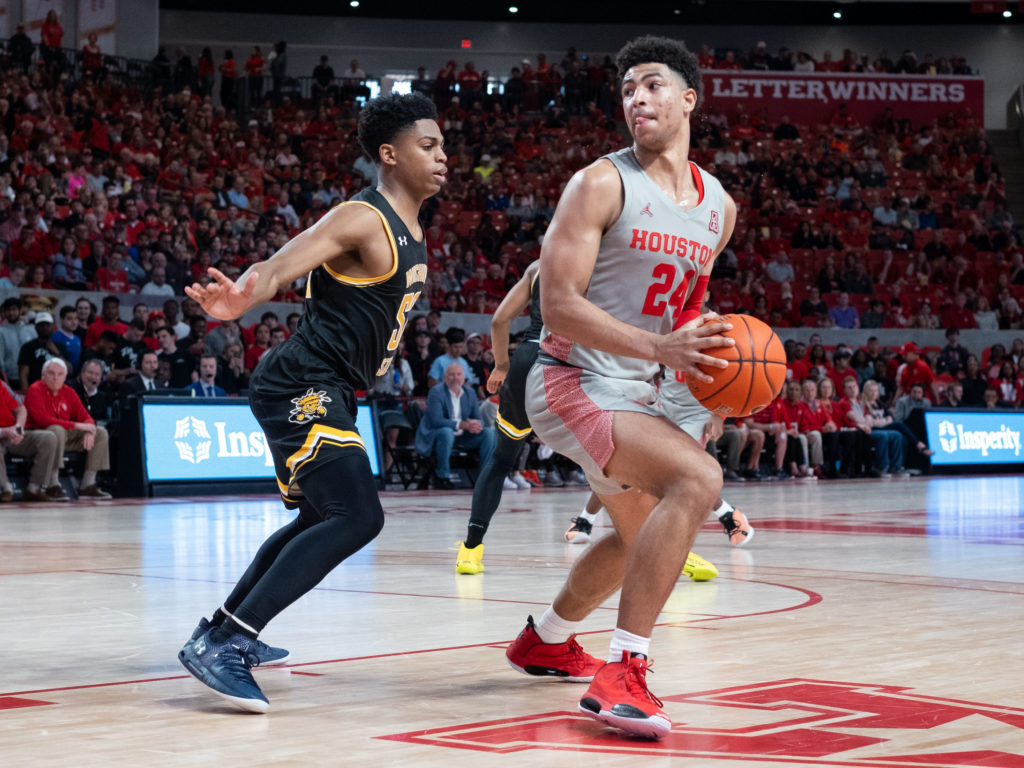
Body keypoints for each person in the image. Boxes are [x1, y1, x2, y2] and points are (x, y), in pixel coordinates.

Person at [177, 93, 444, 713]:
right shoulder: (361, 217)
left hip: (328, 386)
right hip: (301, 381)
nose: (442, 157)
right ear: (389, 154)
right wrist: (245, 297)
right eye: (427, 146)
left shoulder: (411, 228)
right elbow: (278, 265)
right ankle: (228, 644)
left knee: (318, 518)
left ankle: (219, 629)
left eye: (441, 146)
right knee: (357, 516)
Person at [504, 37, 735, 739]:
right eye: (629, 88)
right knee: (699, 482)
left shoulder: (718, 208)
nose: (637, 98)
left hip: (637, 389)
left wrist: (704, 390)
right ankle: (622, 673)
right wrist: (659, 348)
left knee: (642, 539)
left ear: (688, 99)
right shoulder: (599, 183)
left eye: (654, 85)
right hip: (569, 379)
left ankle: (544, 640)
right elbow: (558, 304)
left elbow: (687, 310)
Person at [24, 358, 111, 499]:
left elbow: (86, 417)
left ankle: (87, 485)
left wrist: (89, 429)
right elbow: (42, 420)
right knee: (56, 429)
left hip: (63, 436)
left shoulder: (68, 392)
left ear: (65, 377)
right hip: (40, 436)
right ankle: (53, 485)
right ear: (43, 375)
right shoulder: (35, 389)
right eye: (51, 373)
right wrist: (76, 425)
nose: (55, 378)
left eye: (60, 374)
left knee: (100, 432)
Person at [414, 363, 495, 490]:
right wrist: (462, 424)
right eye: (451, 375)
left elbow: (478, 418)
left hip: (462, 436)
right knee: (446, 432)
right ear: (445, 377)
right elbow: (436, 420)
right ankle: (443, 476)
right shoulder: (436, 392)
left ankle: (484, 477)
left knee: (488, 432)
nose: (455, 378)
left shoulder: (470, 392)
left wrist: (476, 425)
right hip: (437, 435)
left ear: (464, 378)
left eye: (458, 374)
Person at [0, 381, 60, 502]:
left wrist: (19, 428)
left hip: (13, 433)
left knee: (49, 437)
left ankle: (34, 488)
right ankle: (5, 488)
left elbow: (21, 409)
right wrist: (4, 431)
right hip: (2, 434)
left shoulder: (1, 385)